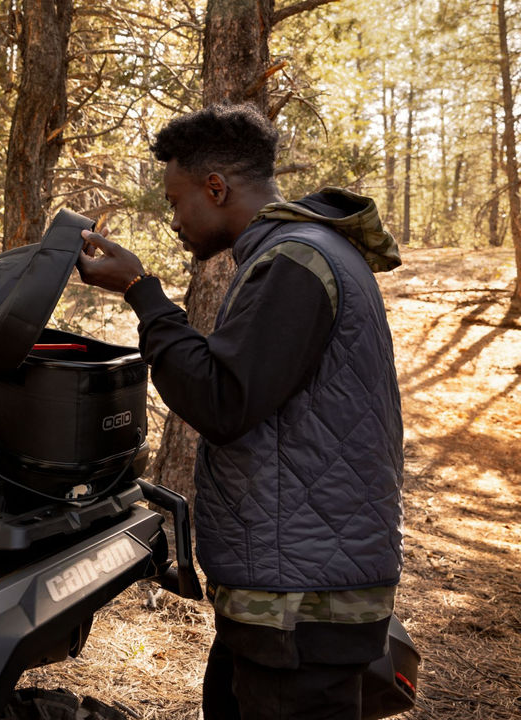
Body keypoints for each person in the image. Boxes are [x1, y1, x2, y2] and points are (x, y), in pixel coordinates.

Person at [76, 104, 404, 719]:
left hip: (301, 600)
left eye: (176, 202)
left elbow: (222, 400)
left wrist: (141, 292)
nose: (175, 219)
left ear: (217, 187)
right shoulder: (306, 253)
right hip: (293, 586)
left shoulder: (296, 261)